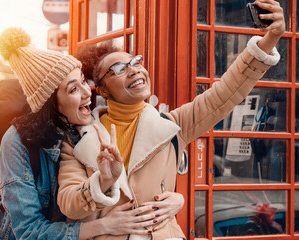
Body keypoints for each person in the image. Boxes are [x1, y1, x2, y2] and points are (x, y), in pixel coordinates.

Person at [57, 0, 285, 239]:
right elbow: (68, 204)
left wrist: (269, 39)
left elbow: (225, 93)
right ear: (102, 90)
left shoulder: (173, 126)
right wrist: (103, 180)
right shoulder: (77, 141)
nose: (134, 69)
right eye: (119, 68)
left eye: (136, 62)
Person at [0, 27, 166, 240]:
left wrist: (173, 200)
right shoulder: (17, 142)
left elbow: (131, 176)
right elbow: (29, 232)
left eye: (83, 81)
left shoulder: (86, 125)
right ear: (51, 104)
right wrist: (104, 226)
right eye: (73, 89)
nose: (88, 92)